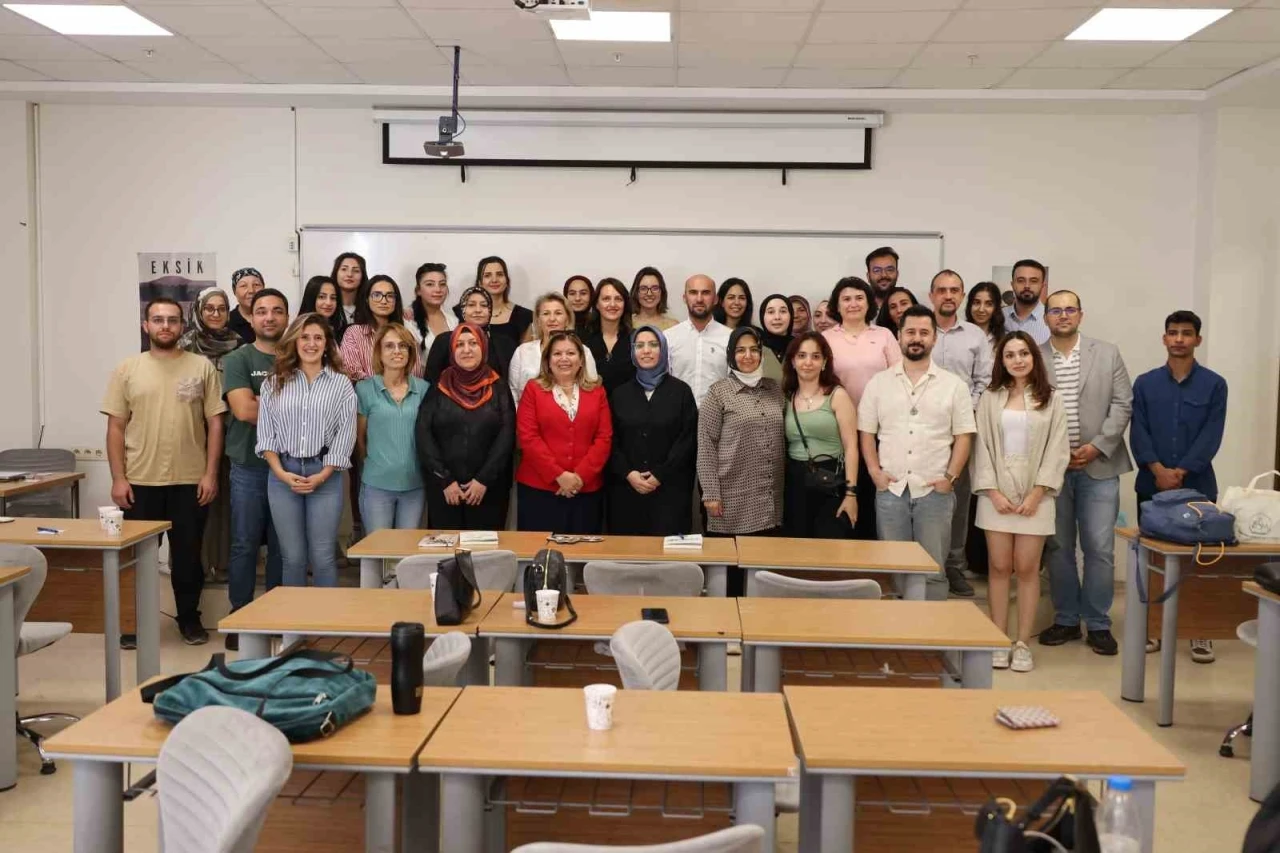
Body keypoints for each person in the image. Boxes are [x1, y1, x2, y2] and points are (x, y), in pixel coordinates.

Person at [103, 297, 226, 645]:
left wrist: (210, 474)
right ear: (146, 326)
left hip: (191, 480)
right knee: (138, 559)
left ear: (182, 325)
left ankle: (188, 619)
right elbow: (115, 428)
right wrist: (118, 478)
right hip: (140, 481)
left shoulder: (201, 367)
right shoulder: (127, 369)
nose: (165, 326)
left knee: (188, 558)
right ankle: (134, 623)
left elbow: (215, 424)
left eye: (172, 319)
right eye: (158, 319)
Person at [1038, 290, 1133, 656]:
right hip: (1054, 469)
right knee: (1058, 547)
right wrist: (1059, 453)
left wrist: (1097, 446)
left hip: (1100, 464)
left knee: (1099, 548)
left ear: (1080, 315)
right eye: (1055, 310)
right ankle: (1065, 618)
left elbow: (1122, 404)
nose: (1063, 315)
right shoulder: (1034, 356)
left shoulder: (1107, 353)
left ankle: (1097, 622)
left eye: (1069, 309)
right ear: (1046, 317)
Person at [858, 306, 976, 601]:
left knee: (933, 570)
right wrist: (874, 472)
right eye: (910, 332)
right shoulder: (879, 383)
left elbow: (964, 436)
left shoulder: (954, 385)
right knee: (894, 568)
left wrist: (951, 478)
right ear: (899, 336)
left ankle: (931, 628)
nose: (916, 338)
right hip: (891, 489)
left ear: (934, 338)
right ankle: (898, 628)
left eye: (924, 332)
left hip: (934, 490)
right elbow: (867, 432)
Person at [1131, 310, 1228, 664]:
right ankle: (1153, 627)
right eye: (1173, 333)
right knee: (1153, 558)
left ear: (1197, 339)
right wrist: (1157, 469)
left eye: (1186, 333)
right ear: (1164, 338)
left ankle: (1199, 630)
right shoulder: (1145, 383)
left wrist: (1183, 470)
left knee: (1199, 560)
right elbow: (1138, 431)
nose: (1179, 339)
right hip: (1152, 485)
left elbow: (1211, 435)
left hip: (1198, 487)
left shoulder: (1215, 384)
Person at [973, 332, 1070, 673]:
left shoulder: (1052, 399)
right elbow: (981, 447)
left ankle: (1022, 643)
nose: (1017, 360)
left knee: (1027, 568)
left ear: (1034, 358)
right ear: (1001, 360)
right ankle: (998, 640)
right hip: (995, 496)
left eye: (1024, 353)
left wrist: (1037, 493)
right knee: (999, 567)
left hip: (1036, 497)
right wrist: (993, 491)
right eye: (1010, 354)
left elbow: (1058, 448)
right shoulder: (989, 398)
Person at [256, 314, 357, 589]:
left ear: (327, 344)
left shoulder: (341, 384)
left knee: (323, 557)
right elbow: (266, 436)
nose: (311, 344)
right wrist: (281, 473)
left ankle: (324, 617)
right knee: (293, 558)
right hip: (282, 475)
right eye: (304, 337)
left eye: (318, 338)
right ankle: (295, 619)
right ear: (294, 341)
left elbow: (345, 435)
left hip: (325, 475)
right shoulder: (273, 383)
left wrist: (322, 475)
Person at [220, 288, 288, 651]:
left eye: (277, 311)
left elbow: (316, 410)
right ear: (252, 317)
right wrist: (292, 407)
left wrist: (267, 403)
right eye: (262, 311)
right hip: (249, 465)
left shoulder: (298, 356)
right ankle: (240, 618)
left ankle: (274, 617)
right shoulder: (238, 359)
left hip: (290, 467)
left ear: (287, 317)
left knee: (282, 546)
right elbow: (245, 411)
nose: (269, 317)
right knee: (245, 543)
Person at [928, 270, 995, 598]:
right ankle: (924, 565)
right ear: (931, 295)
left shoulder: (974, 335)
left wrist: (964, 412)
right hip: (923, 429)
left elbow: (985, 380)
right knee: (923, 496)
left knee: (957, 498)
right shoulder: (919, 328)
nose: (948, 295)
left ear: (962, 295)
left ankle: (954, 565)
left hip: (962, 431)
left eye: (954, 290)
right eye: (942, 290)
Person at [822, 277, 901, 540]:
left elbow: (899, 378)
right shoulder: (826, 339)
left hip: (879, 429)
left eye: (859, 298)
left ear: (869, 303)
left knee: (872, 495)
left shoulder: (884, 335)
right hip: (837, 429)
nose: (853, 304)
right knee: (842, 496)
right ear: (837, 305)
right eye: (846, 299)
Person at [417, 323, 515, 530]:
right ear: (452, 350)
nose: (466, 350)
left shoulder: (499, 387)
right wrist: (445, 480)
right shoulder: (439, 386)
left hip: (488, 490)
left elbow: (506, 436)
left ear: (483, 347)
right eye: (459, 345)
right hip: (445, 490)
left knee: (484, 548)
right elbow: (423, 433)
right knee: (447, 548)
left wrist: (483, 480)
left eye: (473, 343)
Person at [515, 331, 613, 533]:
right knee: (540, 550)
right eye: (557, 354)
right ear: (548, 360)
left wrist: (580, 477)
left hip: (585, 490)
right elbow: (528, 437)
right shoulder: (533, 389)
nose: (564, 359)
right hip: (539, 490)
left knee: (583, 549)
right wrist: (558, 475)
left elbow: (604, 437)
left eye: (571, 353)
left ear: (581, 360)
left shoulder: (597, 391)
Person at [607, 326, 698, 535]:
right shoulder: (619, 394)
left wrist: (660, 474)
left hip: (670, 492)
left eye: (653, 345)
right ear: (632, 352)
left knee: (668, 553)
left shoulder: (681, 392)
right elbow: (610, 440)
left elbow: (688, 439)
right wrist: (629, 474)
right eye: (639, 345)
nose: (646, 351)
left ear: (663, 350)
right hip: (626, 492)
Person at [698, 326, 785, 536]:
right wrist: (711, 494)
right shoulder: (717, 393)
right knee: (732, 554)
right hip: (732, 495)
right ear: (731, 354)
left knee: (765, 552)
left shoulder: (774, 389)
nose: (748, 356)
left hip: (770, 496)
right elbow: (706, 446)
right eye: (740, 350)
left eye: (754, 350)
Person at [781, 332, 859, 540]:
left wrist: (851, 493)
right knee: (796, 546)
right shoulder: (786, 397)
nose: (808, 362)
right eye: (802, 356)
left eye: (815, 356)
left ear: (824, 362)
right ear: (793, 361)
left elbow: (851, 447)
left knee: (830, 547)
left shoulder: (837, 395)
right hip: (795, 483)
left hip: (830, 480)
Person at [355, 324, 429, 532]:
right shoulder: (364, 389)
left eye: (403, 346)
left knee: (406, 550)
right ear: (379, 352)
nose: (397, 351)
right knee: (378, 548)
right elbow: (360, 440)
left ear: (410, 352)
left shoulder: (424, 389)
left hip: (414, 485)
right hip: (376, 485)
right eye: (389, 346)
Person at [509, 292, 599, 405]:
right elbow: (513, 393)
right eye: (546, 313)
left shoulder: (584, 351)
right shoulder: (522, 352)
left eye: (558, 313)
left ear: (567, 319)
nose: (552, 319)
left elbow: (592, 389)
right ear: (538, 320)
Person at [340, 274, 423, 382]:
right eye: (377, 295)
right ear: (367, 299)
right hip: (366, 392)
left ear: (396, 301)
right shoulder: (354, 333)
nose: (384, 301)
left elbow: (416, 374)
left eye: (390, 296)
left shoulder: (407, 334)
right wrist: (384, 387)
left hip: (405, 391)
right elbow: (351, 372)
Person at [425, 286, 516, 383]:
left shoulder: (505, 343)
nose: (478, 310)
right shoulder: (444, 341)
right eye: (471, 305)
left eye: (484, 305)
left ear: (490, 311)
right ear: (462, 309)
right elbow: (431, 382)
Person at [667, 274, 732, 407]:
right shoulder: (668, 337)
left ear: (715, 299)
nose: (699, 299)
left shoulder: (730, 338)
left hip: (719, 415)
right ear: (684, 298)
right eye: (693, 292)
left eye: (706, 293)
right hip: (678, 415)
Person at [583, 277, 636, 395]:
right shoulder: (582, 339)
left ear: (625, 304)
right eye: (606, 299)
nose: (612, 304)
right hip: (593, 403)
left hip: (628, 404)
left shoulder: (636, 339)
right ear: (597, 304)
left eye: (618, 299)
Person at [465, 255, 533, 347]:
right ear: (480, 283)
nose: (494, 280)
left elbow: (527, 353)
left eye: (500, 274)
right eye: (487, 275)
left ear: (507, 281)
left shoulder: (523, 316)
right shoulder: (464, 314)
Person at [179, 287, 241, 370]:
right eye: (209, 308)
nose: (216, 314)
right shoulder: (184, 345)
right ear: (199, 311)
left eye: (222, 309)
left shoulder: (240, 345)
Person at [408, 262, 456, 355]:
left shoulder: (454, 321)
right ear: (418, 290)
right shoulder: (409, 321)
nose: (438, 289)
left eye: (442, 284)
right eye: (430, 284)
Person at [1004, 259, 1050, 345]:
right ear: (1012, 284)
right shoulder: (999, 315)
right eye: (1021, 280)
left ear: (1042, 286)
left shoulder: (1052, 320)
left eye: (1034, 281)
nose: (1027, 286)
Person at [299, 274, 348, 343]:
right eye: (321, 297)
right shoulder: (297, 331)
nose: (328, 303)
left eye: (333, 298)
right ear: (311, 299)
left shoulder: (344, 332)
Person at [757, 293, 794, 383]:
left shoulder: (799, 346)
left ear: (791, 316)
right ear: (762, 317)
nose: (777, 317)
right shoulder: (755, 347)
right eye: (771, 312)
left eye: (783, 311)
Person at [630, 266, 677, 331]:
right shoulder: (626, 324)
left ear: (662, 292)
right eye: (643, 288)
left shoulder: (673, 326)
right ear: (636, 292)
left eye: (655, 288)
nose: (649, 293)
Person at [227, 268, 265, 343]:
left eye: (256, 285)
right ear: (234, 291)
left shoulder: (271, 318)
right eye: (243, 286)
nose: (251, 290)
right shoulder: (227, 322)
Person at [965, 281, 1006, 347]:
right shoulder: (959, 335)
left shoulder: (1002, 339)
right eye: (977, 302)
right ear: (970, 305)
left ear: (996, 308)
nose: (981, 309)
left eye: (989, 304)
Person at [332, 252, 368, 325]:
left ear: (363, 276)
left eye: (356, 271)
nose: (349, 274)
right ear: (336, 273)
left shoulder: (369, 309)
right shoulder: (327, 306)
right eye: (344, 269)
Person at [866, 246, 900, 321]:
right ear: (868, 276)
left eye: (889, 270)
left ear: (897, 274)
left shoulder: (906, 308)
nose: (884, 275)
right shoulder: (859, 309)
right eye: (877, 270)